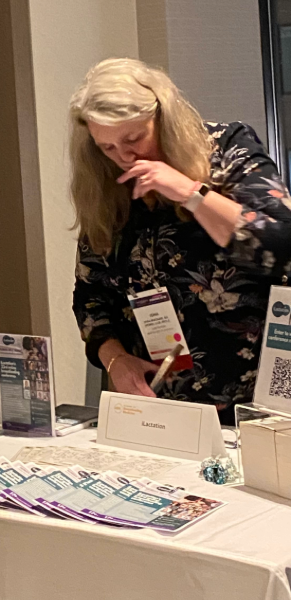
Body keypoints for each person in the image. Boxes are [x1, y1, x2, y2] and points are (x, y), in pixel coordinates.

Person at [70, 58, 291, 425]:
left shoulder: (225, 148)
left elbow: (281, 246)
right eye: (107, 147)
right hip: (159, 405)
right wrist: (115, 360)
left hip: (254, 403)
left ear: (163, 118)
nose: (124, 157)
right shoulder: (107, 185)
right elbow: (91, 294)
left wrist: (191, 193)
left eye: (133, 139)